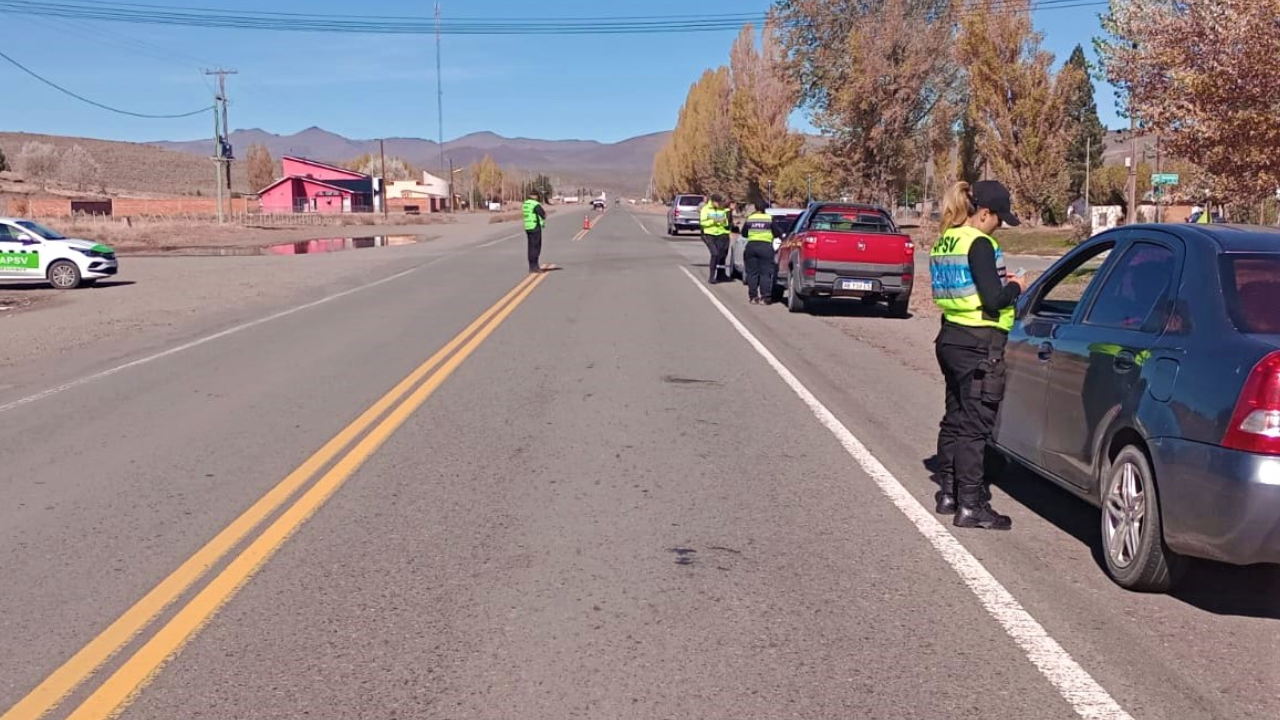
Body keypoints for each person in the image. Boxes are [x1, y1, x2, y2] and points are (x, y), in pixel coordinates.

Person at [930, 180, 1026, 530]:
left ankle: (948, 492)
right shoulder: (980, 244)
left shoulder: (946, 239)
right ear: (984, 213)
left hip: (951, 337)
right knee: (975, 426)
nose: (1000, 225)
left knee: (954, 418)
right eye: (999, 218)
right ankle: (972, 504)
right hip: (979, 345)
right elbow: (993, 300)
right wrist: (1016, 287)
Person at [741, 203, 779, 304]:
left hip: (751, 246)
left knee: (752, 273)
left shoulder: (750, 218)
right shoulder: (769, 218)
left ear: (756, 208)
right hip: (765, 247)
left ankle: (753, 297)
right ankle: (765, 298)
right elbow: (777, 233)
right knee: (765, 274)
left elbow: (744, 233)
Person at [700, 194, 732, 283]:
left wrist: (721, 220)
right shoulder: (705, 209)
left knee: (721, 255)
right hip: (709, 234)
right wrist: (713, 220)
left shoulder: (721, 209)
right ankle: (711, 276)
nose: (719, 204)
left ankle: (720, 275)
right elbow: (703, 222)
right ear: (713, 202)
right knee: (714, 254)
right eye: (718, 203)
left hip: (720, 234)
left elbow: (725, 221)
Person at [522, 190, 548, 273]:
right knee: (536, 247)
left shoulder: (525, 203)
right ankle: (535, 266)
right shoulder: (535, 204)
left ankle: (531, 266)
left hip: (527, 227)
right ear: (535, 196)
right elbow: (543, 214)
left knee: (530, 247)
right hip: (535, 226)